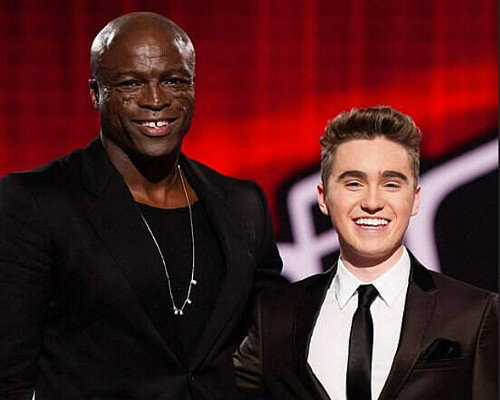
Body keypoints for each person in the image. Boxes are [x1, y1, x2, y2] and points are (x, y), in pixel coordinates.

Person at [0, 12, 283, 400]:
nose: (156, 100)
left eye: (174, 80)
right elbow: (8, 374)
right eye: (131, 83)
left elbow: (273, 343)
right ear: (96, 93)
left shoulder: (242, 203)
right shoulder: (36, 201)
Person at [234, 106, 498, 399]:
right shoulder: (274, 316)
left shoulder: (474, 314)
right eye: (354, 183)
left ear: (415, 199)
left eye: (391, 184)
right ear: (323, 198)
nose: (372, 202)